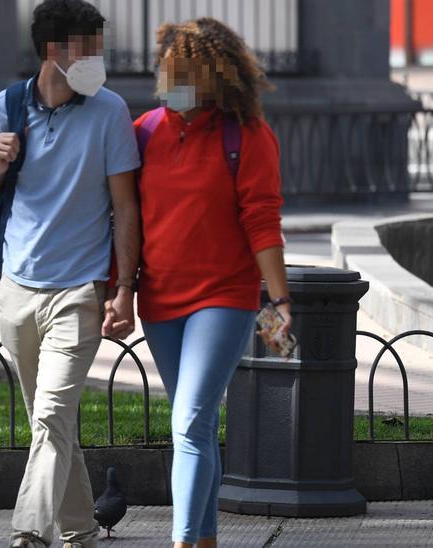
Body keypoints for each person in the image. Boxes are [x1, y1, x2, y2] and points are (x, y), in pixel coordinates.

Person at [0, 1, 140, 546]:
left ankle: (29, 532)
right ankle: (80, 529)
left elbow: (126, 208)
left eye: (98, 45)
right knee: (52, 422)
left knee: (50, 416)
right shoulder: (8, 104)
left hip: (79, 290)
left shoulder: (110, 111)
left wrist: (124, 289)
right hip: (16, 286)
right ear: (54, 51)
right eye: (87, 46)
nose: (97, 57)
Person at [133, 18, 290, 548]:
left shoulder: (246, 137)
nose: (170, 83)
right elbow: (123, 220)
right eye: (166, 72)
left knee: (190, 420)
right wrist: (118, 289)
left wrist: (280, 298)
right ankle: (204, 538)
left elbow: (262, 221)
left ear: (216, 78)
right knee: (193, 425)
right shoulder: (146, 131)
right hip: (158, 299)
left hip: (222, 298)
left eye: (184, 74)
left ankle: (180, 542)